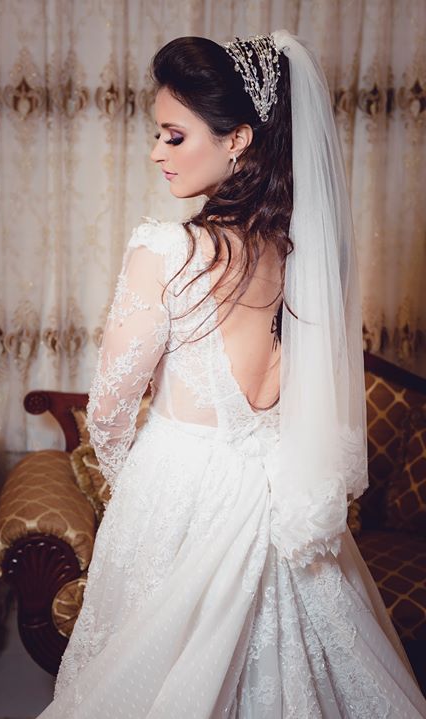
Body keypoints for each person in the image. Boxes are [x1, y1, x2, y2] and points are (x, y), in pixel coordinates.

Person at [36, 29, 426, 718]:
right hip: (279, 493)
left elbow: (109, 411)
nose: (156, 152)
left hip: (181, 489)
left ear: (238, 139)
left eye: (174, 136)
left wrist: (139, 493)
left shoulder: (165, 251)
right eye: (157, 135)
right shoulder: (304, 254)